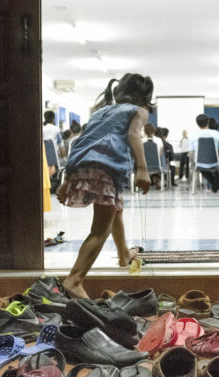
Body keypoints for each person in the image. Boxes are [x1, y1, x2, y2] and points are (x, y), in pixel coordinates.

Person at [56, 74, 154, 298]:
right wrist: (142, 168)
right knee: (100, 229)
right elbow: (133, 135)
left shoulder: (100, 111)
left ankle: (123, 255)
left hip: (83, 165)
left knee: (114, 210)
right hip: (107, 168)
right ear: (144, 97)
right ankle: (74, 280)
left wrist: (67, 179)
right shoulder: (138, 111)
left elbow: (81, 142)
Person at [190, 113, 219, 192]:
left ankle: (215, 186)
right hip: (215, 162)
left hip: (199, 163)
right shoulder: (216, 134)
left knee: (202, 167)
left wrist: (194, 161)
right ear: (208, 122)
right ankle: (216, 186)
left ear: (197, 124)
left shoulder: (193, 135)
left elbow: (191, 153)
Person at [143, 123, 165, 189]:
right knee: (160, 160)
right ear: (154, 131)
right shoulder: (159, 140)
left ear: (144, 131)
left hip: (144, 166)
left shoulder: (141, 141)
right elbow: (160, 154)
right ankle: (157, 180)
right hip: (157, 166)